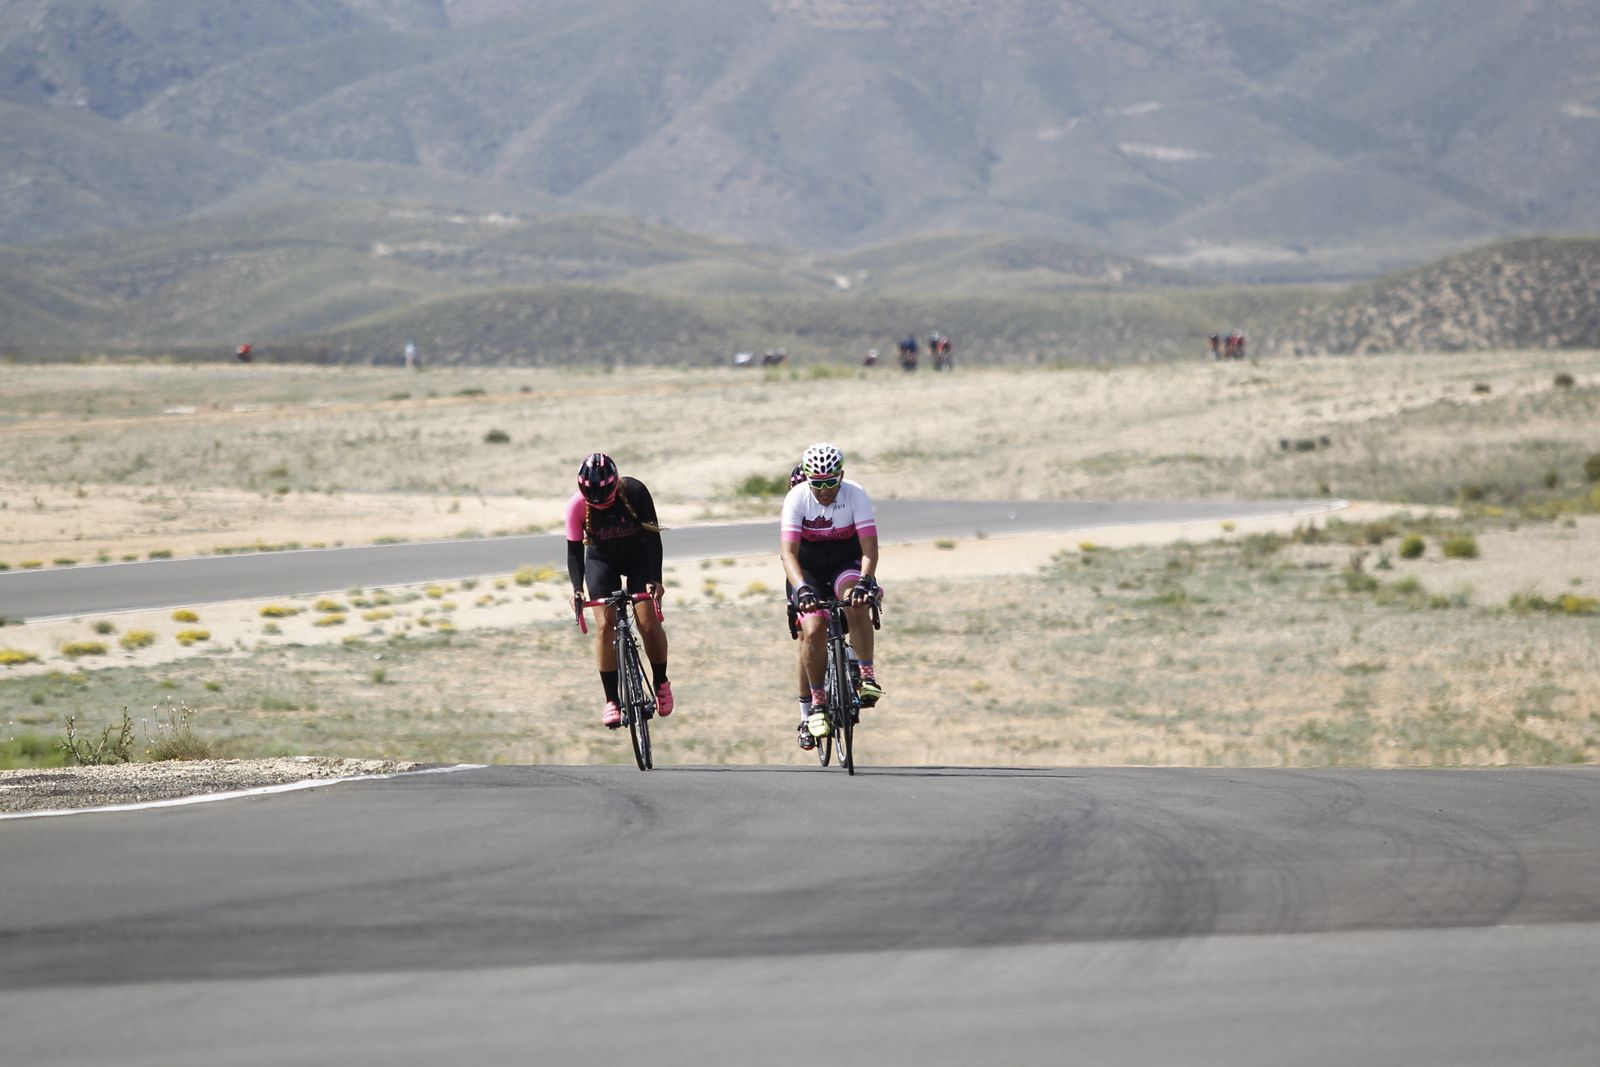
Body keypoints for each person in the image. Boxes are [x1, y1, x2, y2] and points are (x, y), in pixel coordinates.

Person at [779, 442, 884, 751]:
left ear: (842, 475)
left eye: (831, 482)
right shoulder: (796, 498)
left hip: (844, 563)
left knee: (855, 600)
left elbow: (869, 549)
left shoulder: (855, 494)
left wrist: (866, 581)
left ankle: (866, 676)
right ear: (808, 479)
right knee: (811, 630)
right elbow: (787, 553)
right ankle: (818, 705)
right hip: (807, 569)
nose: (824, 489)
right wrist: (801, 588)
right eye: (817, 483)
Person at [566, 452, 672, 728]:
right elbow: (575, 553)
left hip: (638, 557)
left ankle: (660, 681)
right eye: (594, 501)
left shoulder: (635, 491)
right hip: (602, 561)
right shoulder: (576, 506)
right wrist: (577, 590)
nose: (600, 505)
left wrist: (655, 579)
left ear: (615, 487)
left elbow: (652, 537)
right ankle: (612, 699)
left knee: (648, 622)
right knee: (605, 626)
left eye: (606, 499)